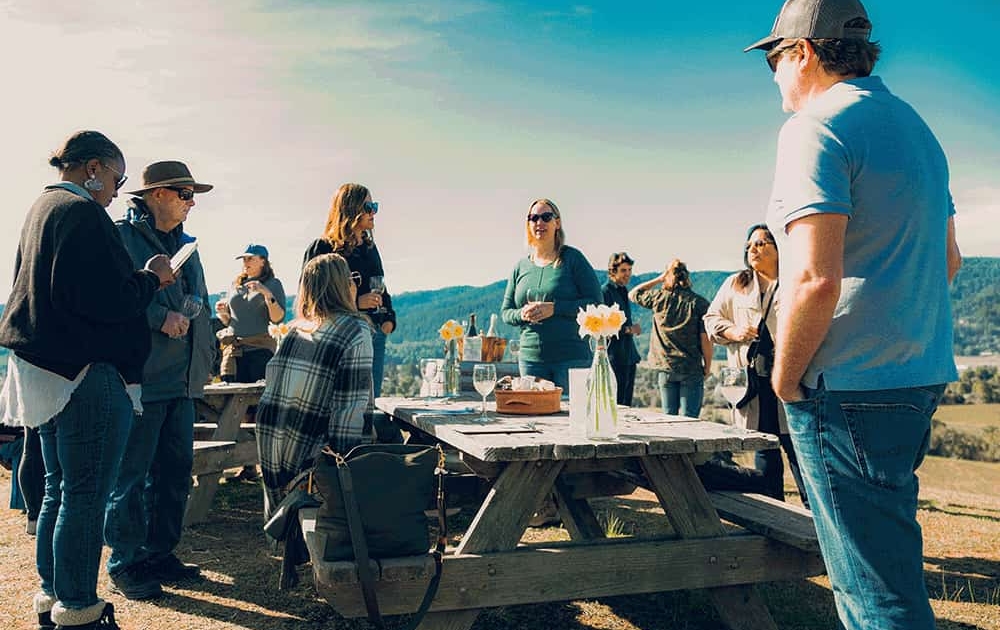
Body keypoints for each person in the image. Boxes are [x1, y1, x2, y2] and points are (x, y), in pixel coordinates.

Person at [746, 1, 963, 628]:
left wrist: (785, 381)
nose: (773, 75)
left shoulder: (814, 128)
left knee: (872, 596)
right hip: (914, 376)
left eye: (774, 58)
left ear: (805, 52)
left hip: (843, 388)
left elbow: (813, 278)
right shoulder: (916, 127)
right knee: (886, 571)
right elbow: (948, 261)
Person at [0, 130, 174, 630]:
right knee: (83, 496)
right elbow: (106, 301)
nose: (117, 191)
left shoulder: (42, 209)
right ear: (93, 168)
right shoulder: (82, 213)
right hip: (86, 375)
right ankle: (78, 608)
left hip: (47, 372)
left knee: (59, 490)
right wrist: (151, 278)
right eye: (116, 179)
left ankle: (53, 596)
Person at [104, 161, 215, 600]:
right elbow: (111, 299)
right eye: (185, 194)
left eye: (193, 196)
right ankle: (126, 562)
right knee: (130, 475)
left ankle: (160, 553)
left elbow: (199, 301)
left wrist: (201, 345)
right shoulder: (121, 237)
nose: (192, 203)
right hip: (142, 378)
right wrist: (158, 316)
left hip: (183, 380)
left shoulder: (188, 244)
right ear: (156, 195)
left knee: (174, 472)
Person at [256, 253, 375, 518]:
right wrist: (348, 481)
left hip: (275, 456)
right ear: (344, 286)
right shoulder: (355, 330)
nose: (355, 284)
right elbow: (348, 416)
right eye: (351, 279)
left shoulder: (295, 330)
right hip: (313, 469)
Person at [704, 224, 808, 507]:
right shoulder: (736, 283)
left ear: (779, 249)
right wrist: (733, 332)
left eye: (762, 243)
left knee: (798, 448)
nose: (754, 249)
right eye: (750, 244)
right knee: (764, 447)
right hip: (751, 381)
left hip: (791, 375)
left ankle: (816, 517)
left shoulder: (796, 281)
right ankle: (775, 511)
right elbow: (711, 318)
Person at [500, 199, 603, 393]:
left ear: (557, 223)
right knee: (536, 421)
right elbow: (506, 312)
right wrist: (522, 314)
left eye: (546, 217)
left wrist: (555, 308)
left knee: (571, 420)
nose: (539, 222)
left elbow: (596, 304)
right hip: (531, 362)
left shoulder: (573, 259)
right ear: (528, 224)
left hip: (572, 359)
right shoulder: (520, 267)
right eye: (534, 218)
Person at [303, 183, 395, 398]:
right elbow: (311, 300)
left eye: (375, 206)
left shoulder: (370, 248)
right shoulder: (322, 248)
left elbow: (381, 286)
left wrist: (388, 319)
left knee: (372, 401)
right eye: (368, 206)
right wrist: (356, 303)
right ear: (351, 209)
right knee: (340, 400)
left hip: (373, 334)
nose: (373, 212)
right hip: (337, 338)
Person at [629, 259, 712, 417]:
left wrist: (659, 278)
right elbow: (705, 339)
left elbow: (633, 294)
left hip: (665, 367)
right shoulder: (699, 304)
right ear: (687, 277)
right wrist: (707, 367)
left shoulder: (658, 298)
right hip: (691, 367)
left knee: (669, 417)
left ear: (667, 276)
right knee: (690, 419)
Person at [215, 244, 286, 383]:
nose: (245, 262)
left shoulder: (273, 284)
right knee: (230, 400)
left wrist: (265, 292)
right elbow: (229, 321)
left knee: (255, 401)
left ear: (263, 261)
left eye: (250, 258)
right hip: (233, 352)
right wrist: (223, 312)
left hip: (260, 351)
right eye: (244, 259)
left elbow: (277, 318)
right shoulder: (235, 285)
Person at [601, 252, 641, 405]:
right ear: (613, 271)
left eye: (629, 270)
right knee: (616, 405)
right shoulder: (605, 292)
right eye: (623, 270)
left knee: (626, 404)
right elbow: (604, 326)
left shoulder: (623, 291)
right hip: (615, 357)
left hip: (629, 356)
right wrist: (629, 330)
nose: (628, 274)